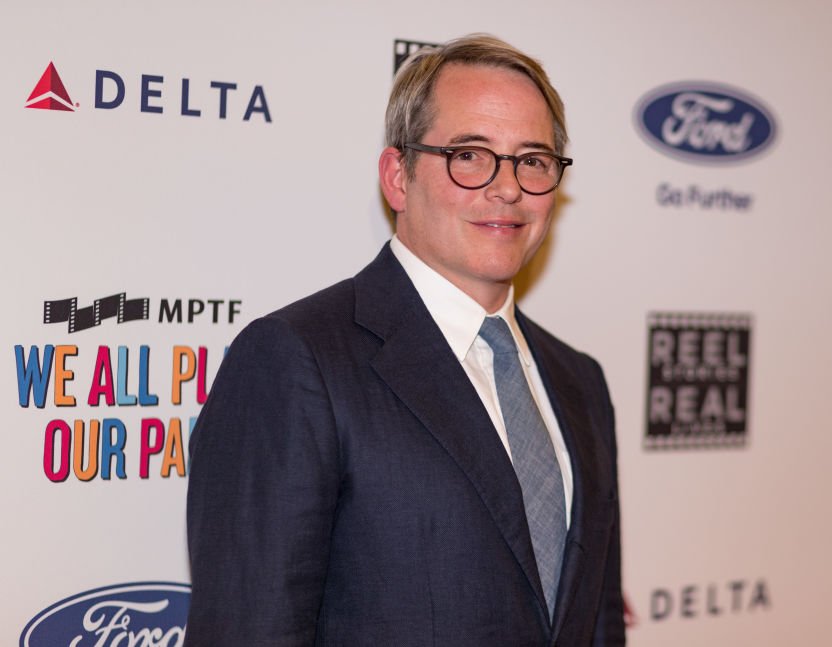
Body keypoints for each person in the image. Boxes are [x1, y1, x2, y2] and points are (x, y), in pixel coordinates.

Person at [185, 34, 625, 646]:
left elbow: (597, 623)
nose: (508, 187)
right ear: (398, 176)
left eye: (534, 160)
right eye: (470, 154)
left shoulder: (579, 380)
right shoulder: (297, 360)